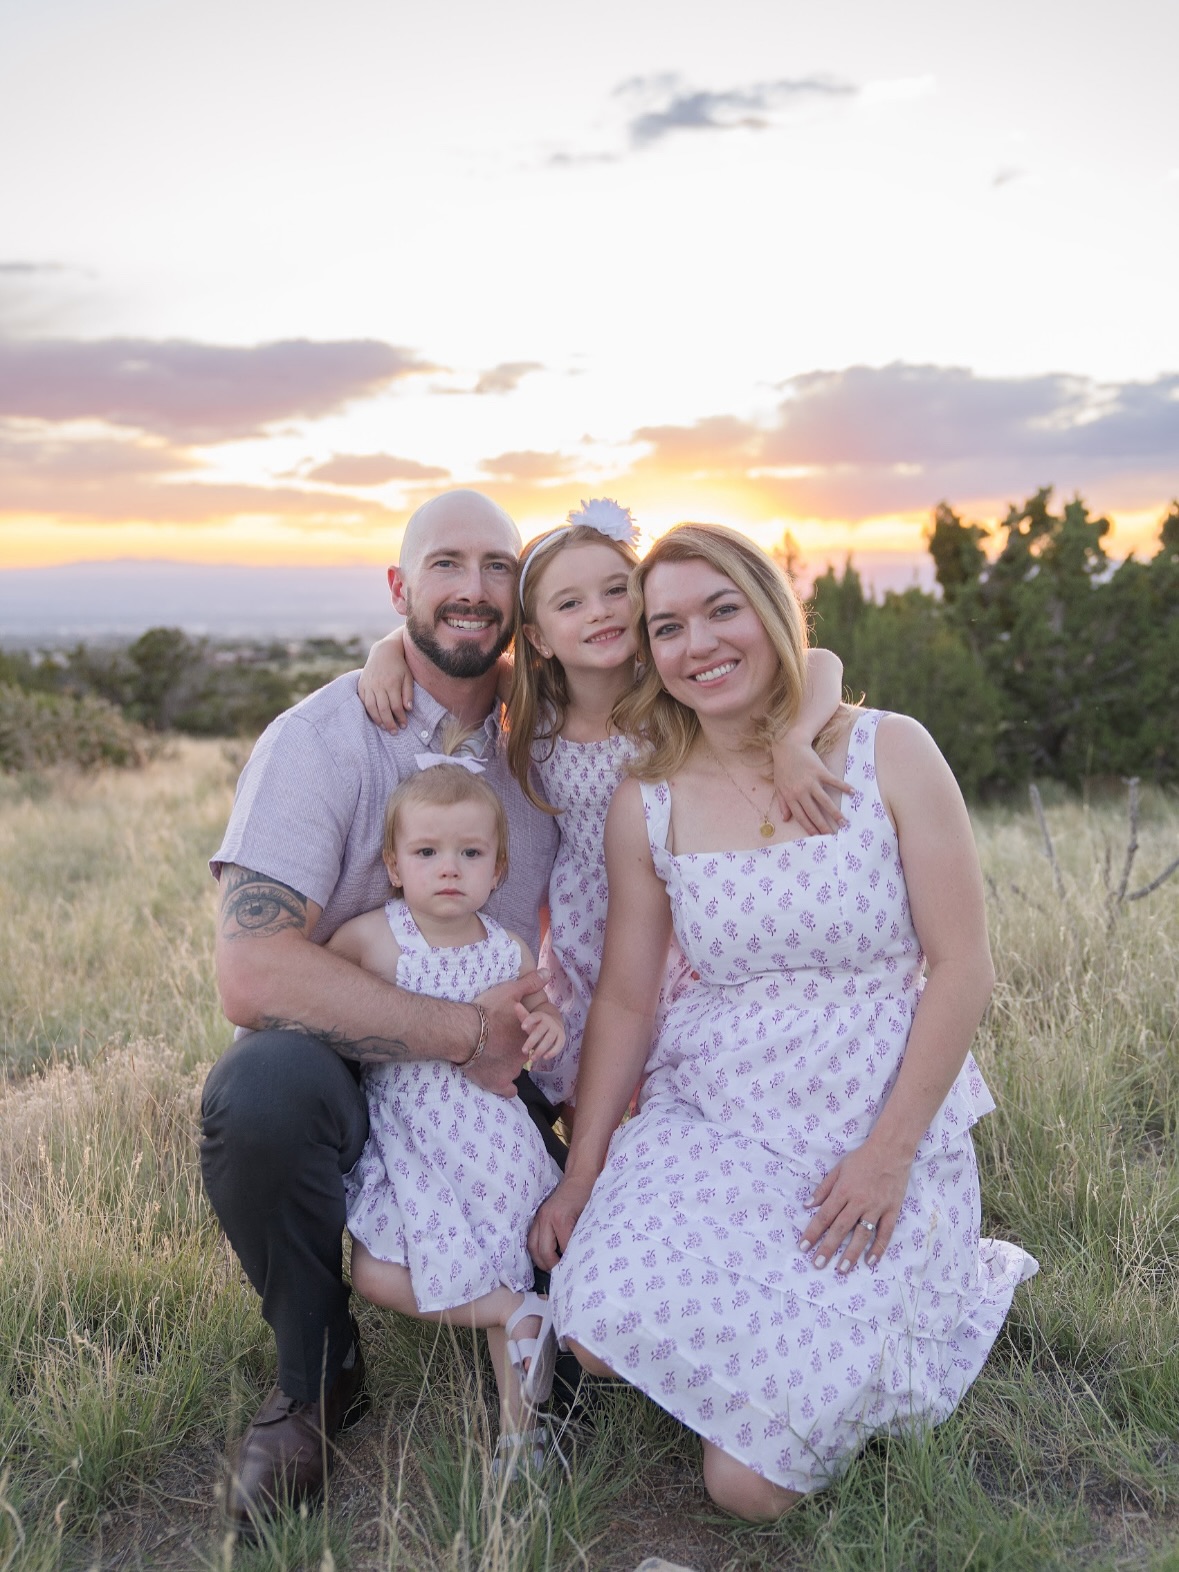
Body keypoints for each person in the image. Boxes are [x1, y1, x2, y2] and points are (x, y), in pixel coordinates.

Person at [529, 523, 1039, 1522]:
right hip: (716, 1114)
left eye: (723, 609)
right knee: (590, 1324)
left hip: (869, 1124)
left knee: (748, 1489)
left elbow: (962, 965)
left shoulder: (890, 750)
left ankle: (928, 1300)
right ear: (647, 648)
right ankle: (742, 1342)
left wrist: (890, 1153)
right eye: (667, 625)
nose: (699, 643)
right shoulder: (651, 800)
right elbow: (630, 1001)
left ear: (769, 612)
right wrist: (584, 1172)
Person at [201, 489, 560, 1529]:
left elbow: (700, 677)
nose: (474, 588)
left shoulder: (538, 736)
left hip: (501, 1075)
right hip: (352, 1065)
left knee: (593, 1278)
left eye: (499, 567)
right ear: (401, 587)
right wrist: (461, 1036)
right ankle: (315, 1379)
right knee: (261, 1091)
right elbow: (254, 972)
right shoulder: (322, 739)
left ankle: (545, 1364)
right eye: (446, 564)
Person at [361, 498, 849, 1111]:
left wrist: (794, 738)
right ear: (537, 634)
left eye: (615, 591)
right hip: (580, 935)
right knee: (586, 1082)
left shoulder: (673, 699)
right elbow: (450, 656)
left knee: (664, 1083)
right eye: (570, 603)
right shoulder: (536, 710)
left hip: (672, 927)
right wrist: (387, 649)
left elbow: (820, 662)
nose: (598, 613)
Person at [331, 756, 565, 1473]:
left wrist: (547, 1023)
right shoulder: (376, 937)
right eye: (427, 852)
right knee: (373, 1271)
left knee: (507, 1258)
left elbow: (535, 1011)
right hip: (411, 1134)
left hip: (491, 1134)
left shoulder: (506, 945)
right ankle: (508, 1312)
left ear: (497, 869)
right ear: (394, 865)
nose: (449, 869)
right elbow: (324, 995)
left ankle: (520, 1437)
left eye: (470, 854)